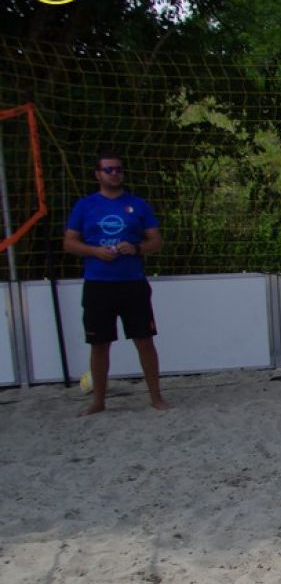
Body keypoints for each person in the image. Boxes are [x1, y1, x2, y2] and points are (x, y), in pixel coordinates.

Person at [63, 152, 171, 416]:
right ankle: (98, 401)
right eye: (109, 170)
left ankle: (156, 397)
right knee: (99, 344)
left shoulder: (137, 204)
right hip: (98, 284)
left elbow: (156, 241)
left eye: (118, 169)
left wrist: (136, 248)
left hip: (132, 283)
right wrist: (95, 251)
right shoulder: (85, 205)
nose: (114, 174)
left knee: (144, 340)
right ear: (97, 174)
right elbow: (69, 243)